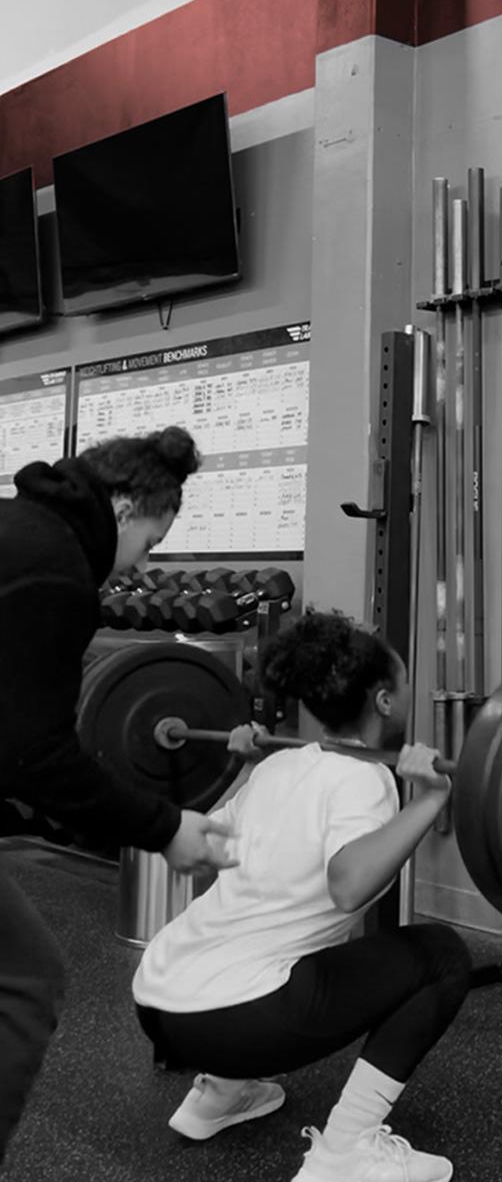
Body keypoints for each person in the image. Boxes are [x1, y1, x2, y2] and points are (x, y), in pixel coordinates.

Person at [132, 609, 473, 1182]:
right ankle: (347, 1152)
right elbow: (348, 888)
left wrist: (243, 768)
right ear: (386, 702)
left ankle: (216, 1097)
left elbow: (205, 854)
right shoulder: (363, 778)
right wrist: (431, 800)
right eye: (407, 681)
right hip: (235, 1023)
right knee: (442, 956)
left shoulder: (281, 766)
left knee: (284, 945)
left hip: (159, 1003)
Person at [0, 426, 237, 1168]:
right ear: (127, 504)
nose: (139, 565)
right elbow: (34, 754)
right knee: (23, 982)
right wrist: (165, 827)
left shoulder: (16, 526)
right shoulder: (54, 570)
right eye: (150, 542)